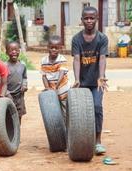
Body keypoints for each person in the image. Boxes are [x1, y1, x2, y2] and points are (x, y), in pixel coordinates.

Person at [72, 6, 108, 155]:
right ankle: (80, 140)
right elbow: (76, 59)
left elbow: (102, 58)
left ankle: (97, 141)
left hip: (96, 83)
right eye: (86, 18)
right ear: (82, 20)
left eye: (92, 18)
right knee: (79, 112)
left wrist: (101, 77)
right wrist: (76, 79)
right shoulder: (76, 39)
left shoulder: (102, 38)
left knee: (97, 107)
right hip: (82, 83)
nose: (89, 21)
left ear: (97, 19)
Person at [41, 35, 70, 121]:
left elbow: (61, 73)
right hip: (52, 89)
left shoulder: (62, 59)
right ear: (47, 48)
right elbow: (44, 76)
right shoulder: (44, 61)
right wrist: (47, 88)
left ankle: (67, 129)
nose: (54, 50)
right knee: (55, 111)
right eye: (51, 47)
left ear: (60, 48)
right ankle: (57, 129)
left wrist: (56, 87)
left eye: (56, 48)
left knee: (65, 109)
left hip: (63, 89)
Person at [6, 41, 27, 124]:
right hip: (8, 96)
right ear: (7, 52)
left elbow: (25, 77)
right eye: (11, 50)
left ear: (19, 51)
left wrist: (24, 85)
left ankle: (17, 133)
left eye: (16, 50)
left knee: (19, 116)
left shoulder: (23, 65)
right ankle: (9, 134)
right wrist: (7, 93)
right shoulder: (4, 66)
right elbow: (2, 82)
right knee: (8, 115)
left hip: (19, 96)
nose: (14, 52)